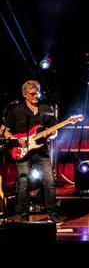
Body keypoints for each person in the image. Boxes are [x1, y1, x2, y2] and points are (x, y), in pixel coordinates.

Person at [2, 80, 60, 223]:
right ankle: (24, 215)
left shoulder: (46, 109)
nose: (36, 96)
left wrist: (50, 134)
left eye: (37, 93)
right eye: (32, 94)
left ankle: (52, 214)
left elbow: (54, 132)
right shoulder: (16, 110)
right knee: (23, 182)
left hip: (41, 150)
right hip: (21, 151)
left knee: (49, 181)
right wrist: (16, 140)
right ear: (25, 95)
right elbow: (4, 130)